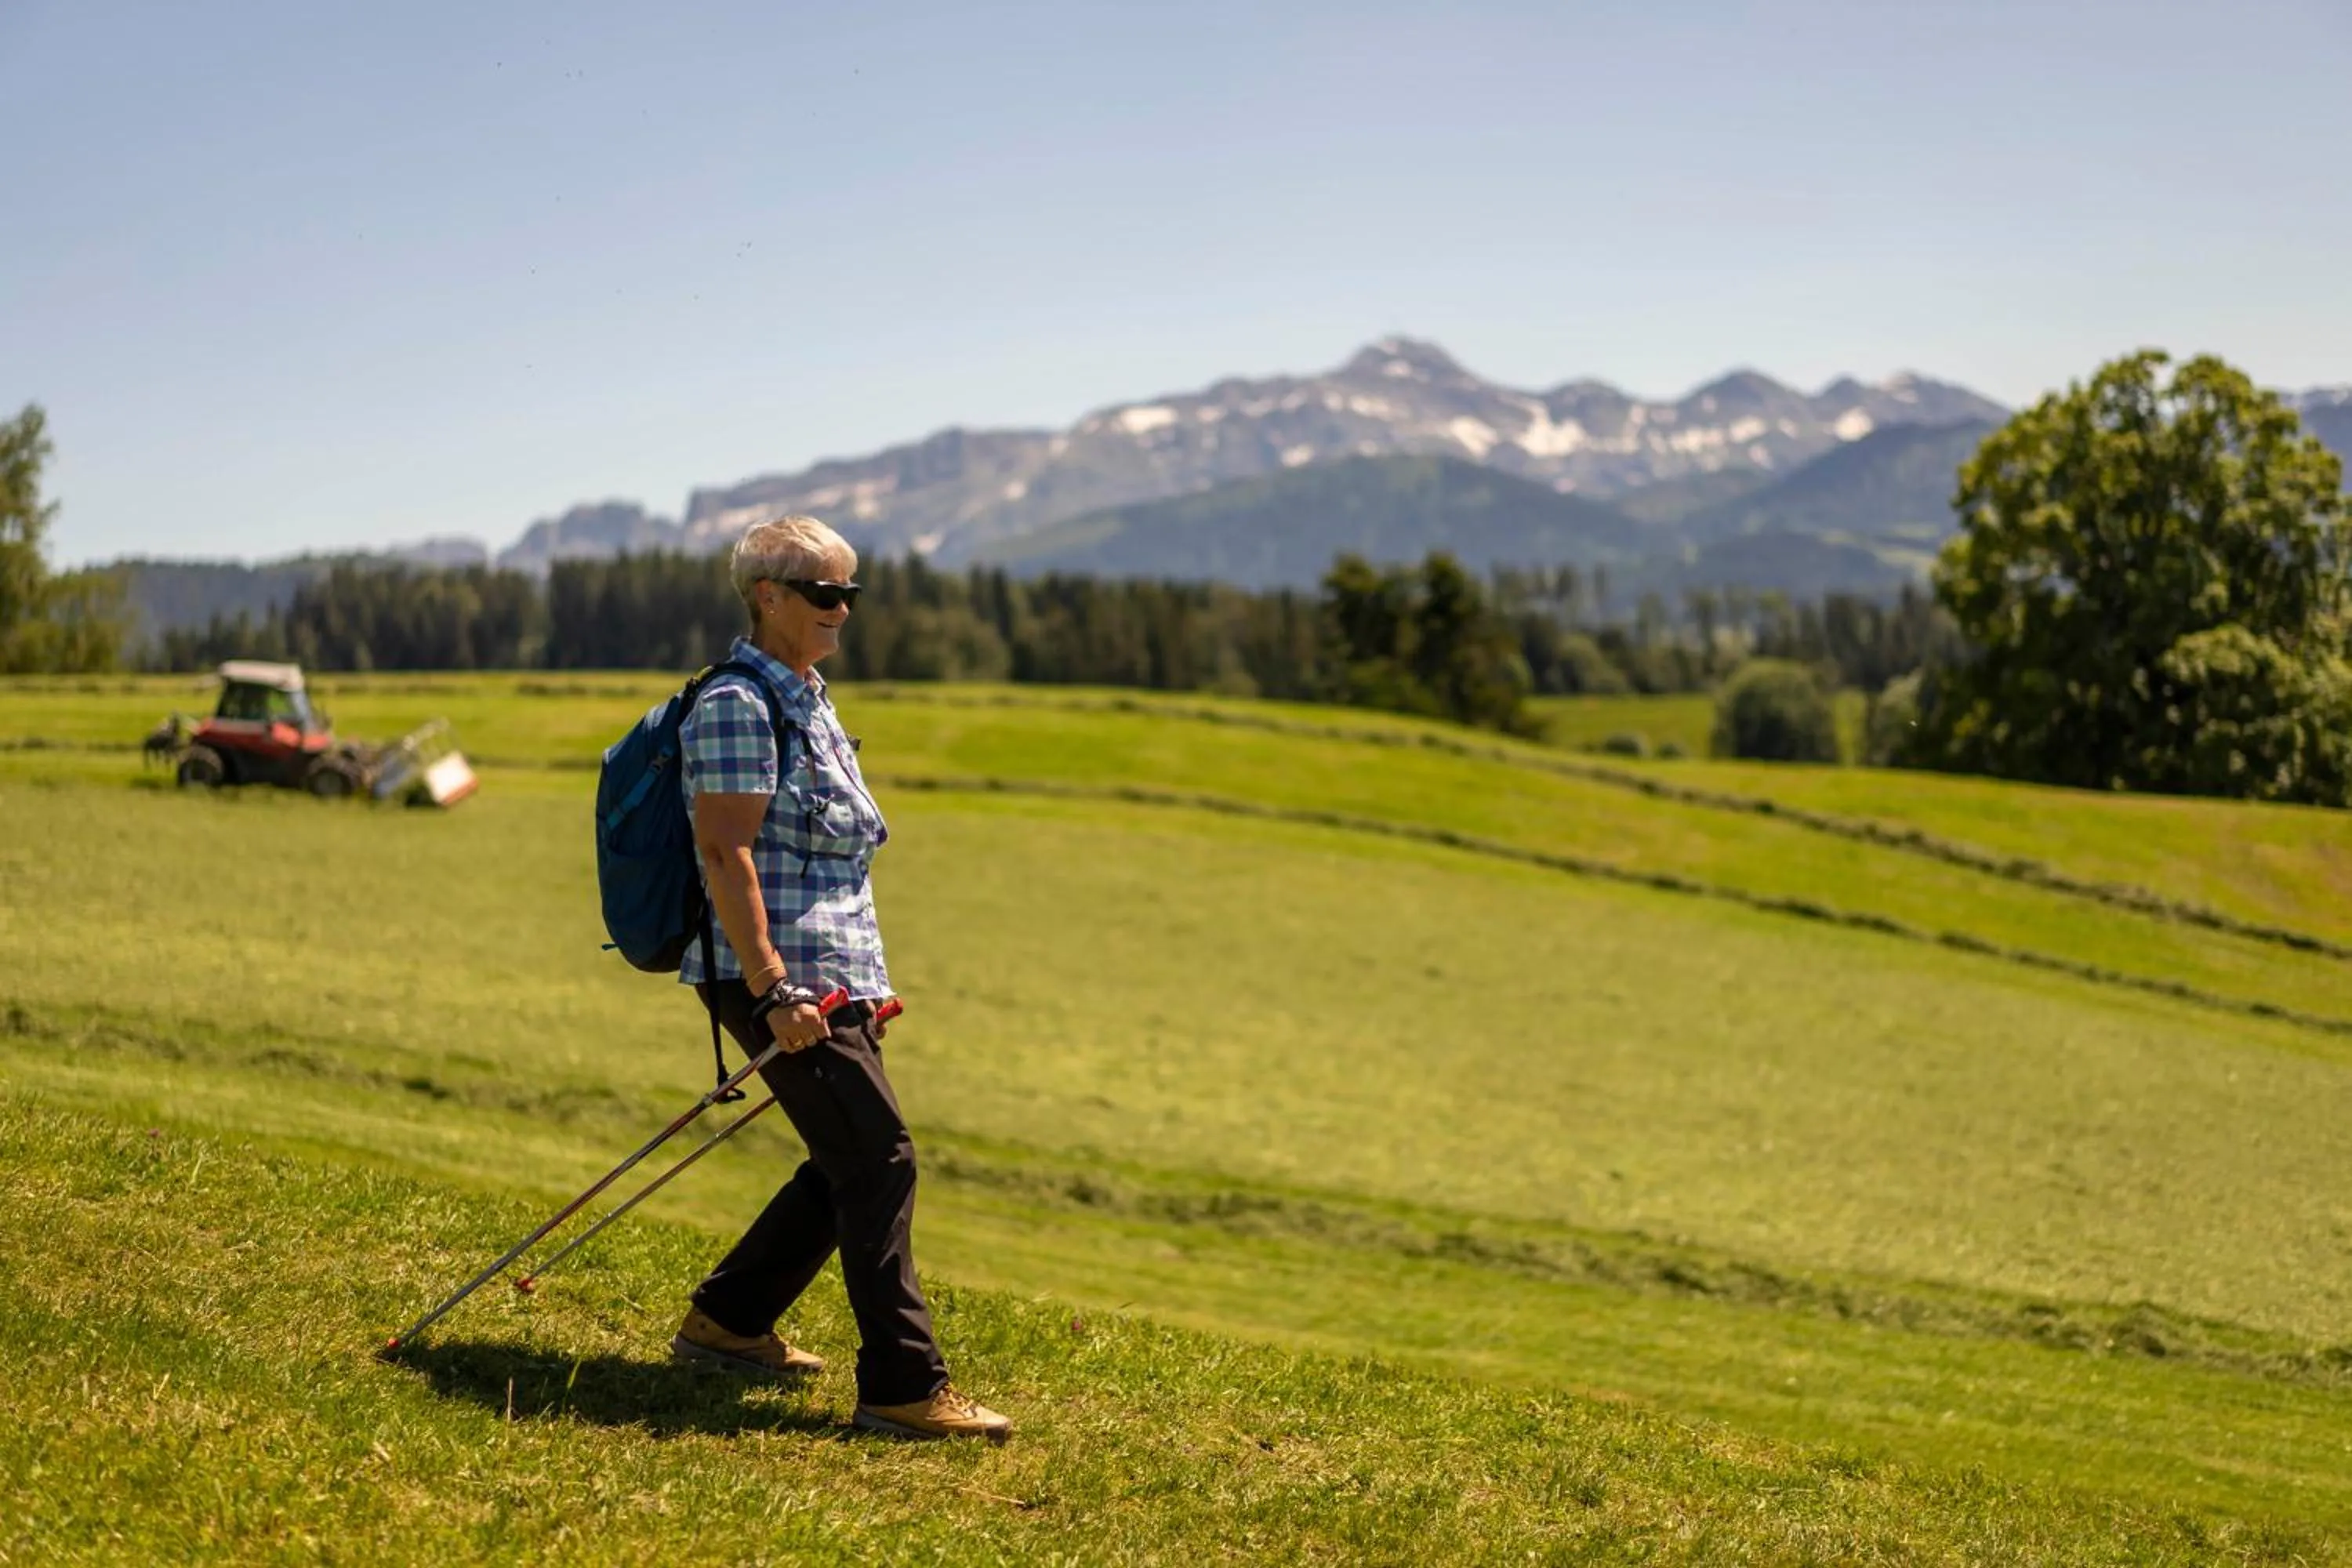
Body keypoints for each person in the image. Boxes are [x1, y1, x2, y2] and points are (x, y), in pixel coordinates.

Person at [668, 514, 1010, 1444]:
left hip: (832, 978)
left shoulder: (808, 697)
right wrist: (776, 987)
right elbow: (724, 849)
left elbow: (832, 860)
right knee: (880, 1156)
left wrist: (859, 984)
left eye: (850, 593)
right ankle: (904, 1386)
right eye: (824, 593)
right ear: (768, 595)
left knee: (848, 1156)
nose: (842, 610)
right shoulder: (743, 703)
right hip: (777, 976)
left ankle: (728, 1322)